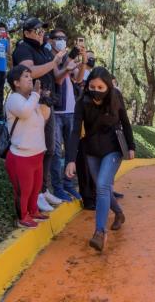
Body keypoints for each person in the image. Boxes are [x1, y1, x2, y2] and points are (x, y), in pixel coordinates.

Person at [65, 67, 136, 252]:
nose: (96, 90)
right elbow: (75, 132)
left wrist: (131, 146)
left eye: (100, 87)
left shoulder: (116, 98)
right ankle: (119, 214)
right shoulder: (82, 101)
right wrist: (70, 159)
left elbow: (126, 122)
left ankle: (99, 232)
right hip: (91, 150)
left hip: (113, 149)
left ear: (108, 87)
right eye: (92, 86)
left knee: (103, 185)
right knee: (101, 187)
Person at [12, 18, 67, 212]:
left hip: (48, 103)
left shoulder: (43, 50)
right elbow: (30, 72)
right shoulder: (23, 49)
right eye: (37, 30)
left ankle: (43, 190)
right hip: (34, 104)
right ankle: (35, 195)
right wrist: (53, 63)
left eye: (42, 30)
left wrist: (65, 68)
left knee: (50, 149)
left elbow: (54, 76)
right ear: (26, 32)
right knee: (38, 150)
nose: (41, 33)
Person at [4, 65, 51, 228]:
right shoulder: (14, 99)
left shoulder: (32, 99)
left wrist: (45, 100)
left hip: (37, 154)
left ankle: (33, 211)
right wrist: (37, 94)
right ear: (16, 82)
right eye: (26, 76)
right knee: (24, 190)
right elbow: (24, 112)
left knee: (35, 187)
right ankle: (23, 217)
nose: (30, 79)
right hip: (21, 156)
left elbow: (44, 118)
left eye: (30, 76)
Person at [49, 29, 86, 201]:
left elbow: (78, 79)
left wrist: (83, 60)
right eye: (58, 38)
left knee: (71, 150)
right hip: (55, 112)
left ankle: (68, 185)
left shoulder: (65, 58)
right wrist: (69, 62)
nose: (62, 41)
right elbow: (57, 78)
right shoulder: (50, 58)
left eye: (64, 38)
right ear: (50, 41)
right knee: (56, 152)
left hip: (71, 112)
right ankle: (58, 187)